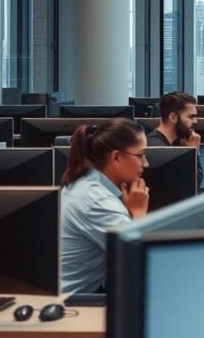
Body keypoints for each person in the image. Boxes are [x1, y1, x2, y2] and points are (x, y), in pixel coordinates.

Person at [60, 118, 149, 294]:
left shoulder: (87, 184)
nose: (146, 163)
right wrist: (139, 213)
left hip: (82, 296)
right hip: (75, 305)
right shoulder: (96, 201)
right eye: (141, 155)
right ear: (116, 157)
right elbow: (141, 260)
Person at [148, 91, 202, 187]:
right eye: (191, 117)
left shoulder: (172, 144)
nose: (196, 121)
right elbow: (190, 186)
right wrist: (192, 152)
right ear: (173, 117)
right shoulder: (158, 150)